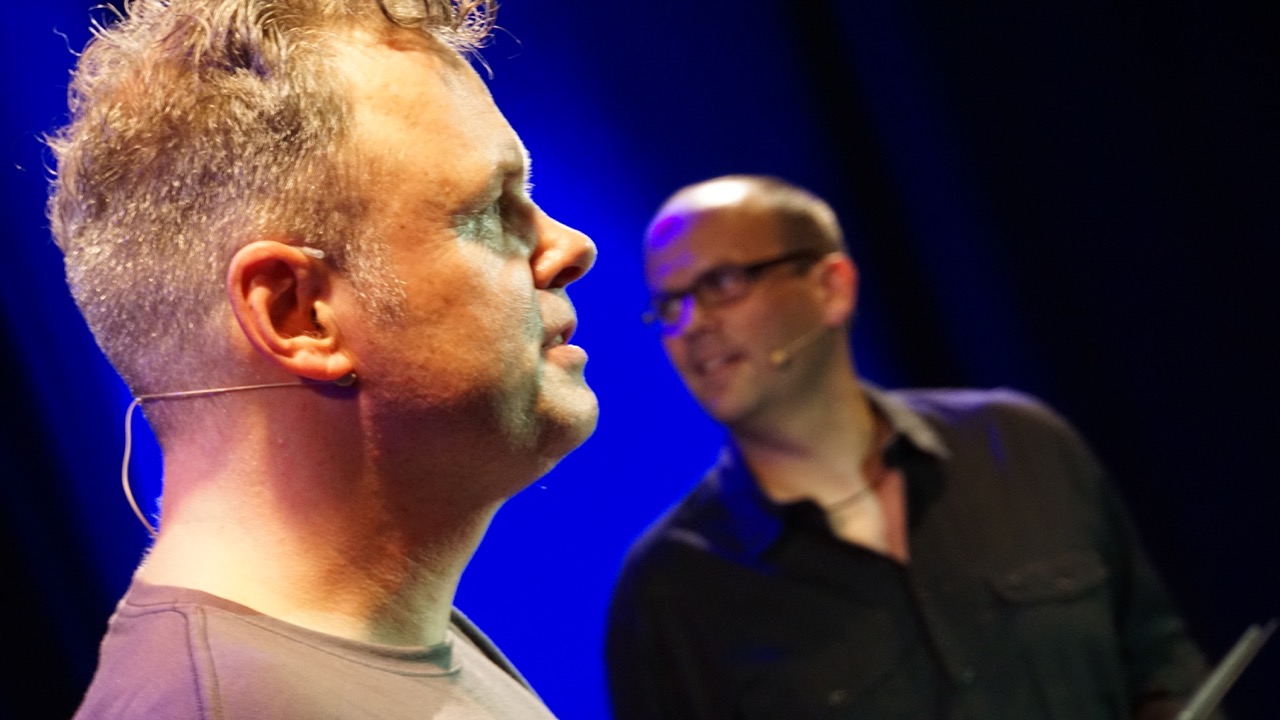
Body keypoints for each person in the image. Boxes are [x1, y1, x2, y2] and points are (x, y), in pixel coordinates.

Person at [47, 1, 598, 717]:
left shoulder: (387, 640)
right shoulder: (229, 706)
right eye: (491, 209)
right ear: (299, 315)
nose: (571, 248)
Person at [606, 175, 1212, 720]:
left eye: (722, 283)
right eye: (669, 305)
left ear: (831, 288)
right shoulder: (669, 591)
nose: (691, 324)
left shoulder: (1019, 444)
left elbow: (1161, 663)